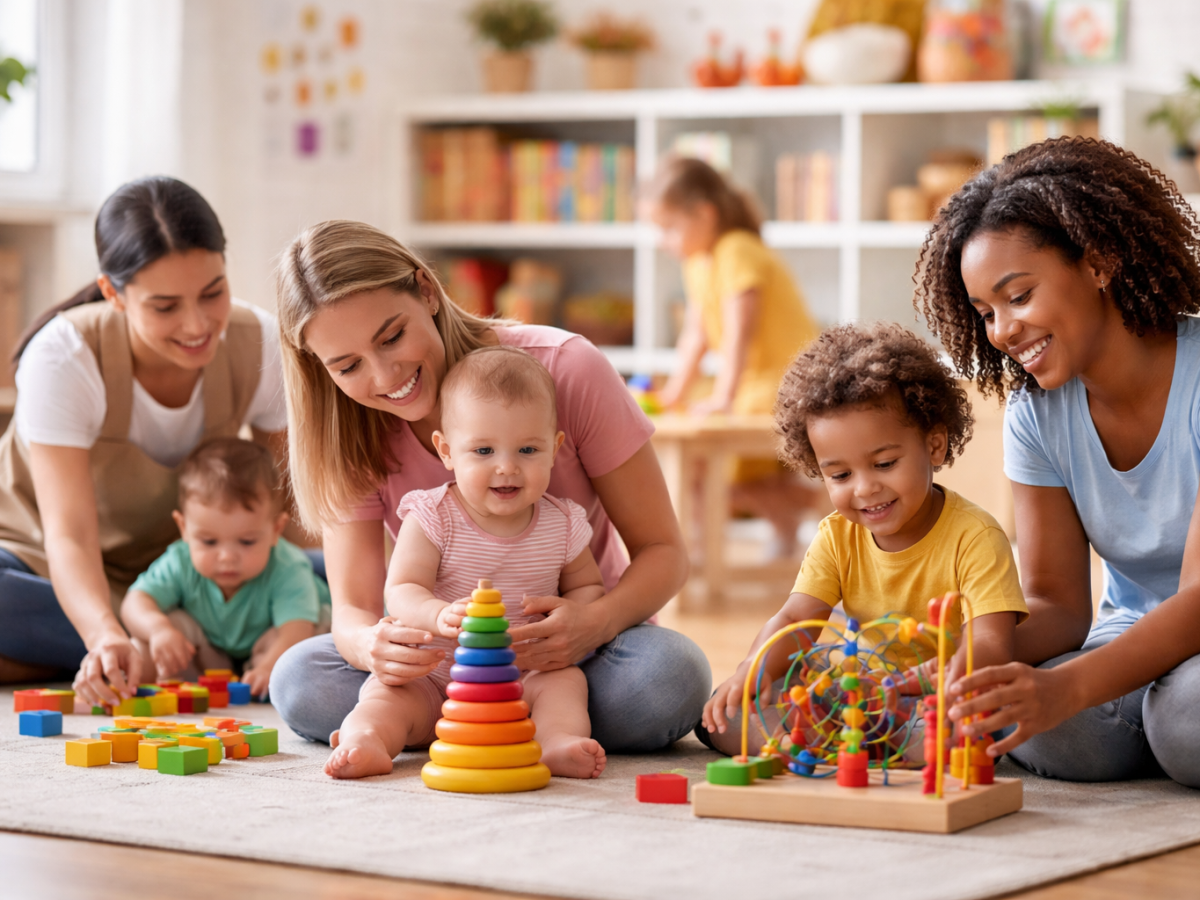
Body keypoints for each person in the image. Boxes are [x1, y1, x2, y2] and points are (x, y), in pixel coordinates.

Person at [269, 220, 710, 753]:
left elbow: (664, 553)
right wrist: (372, 648)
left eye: (392, 337)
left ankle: (502, 726)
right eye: (347, 365)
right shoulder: (347, 429)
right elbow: (355, 609)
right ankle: (494, 725)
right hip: (440, 668)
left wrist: (591, 624)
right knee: (298, 679)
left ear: (427, 291)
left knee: (668, 679)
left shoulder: (565, 370)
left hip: (573, 657)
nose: (385, 377)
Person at [915, 137, 1200, 787]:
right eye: (985, 312)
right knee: (1042, 721)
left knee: (1186, 718)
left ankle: (1153, 731)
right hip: (1129, 644)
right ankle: (1142, 729)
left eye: (1018, 297)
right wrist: (974, 655)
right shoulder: (1037, 415)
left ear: (1098, 262)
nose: (1001, 332)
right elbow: (1058, 605)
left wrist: (1067, 689)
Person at [0, 177, 292, 708]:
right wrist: (102, 633)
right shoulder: (66, 357)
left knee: (325, 579)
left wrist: (328, 607)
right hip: (43, 564)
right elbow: (69, 537)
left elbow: (295, 509)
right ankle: (143, 651)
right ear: (113, 293)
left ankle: (108, 655)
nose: (198, 324)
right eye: (165, 307)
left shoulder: (258, 343)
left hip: (191, 578)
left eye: (213, 292)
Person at [699, 322, 1027, 757]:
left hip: (936, 697)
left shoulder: (976, 536)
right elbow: (796, 620)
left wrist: (916, 682)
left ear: (934, 445)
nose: (864, 488)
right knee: (730, 708)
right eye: (840, 475)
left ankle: (838, 742)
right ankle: (824, 737)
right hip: (857, 692)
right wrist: (749, 671)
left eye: (885, 463)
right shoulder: (837, 535)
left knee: (962, 731)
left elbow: (989, 646)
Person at [326, 346, 606, 779]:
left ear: (555, 449)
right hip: (435, 672)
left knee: (566, 684)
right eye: (483, 451)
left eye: (528, 449)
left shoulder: (563, 522)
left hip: (524, 673)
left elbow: (588, 586)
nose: (507, 467)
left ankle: (556, 743)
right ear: (447, 451)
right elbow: (400, 590)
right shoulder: (433, 516)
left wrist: (578, 612)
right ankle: (366, 740)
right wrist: (438, 615)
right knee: (385, 696)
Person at [648, 156, 826, 557]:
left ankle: (810, 509)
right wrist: (674, 394)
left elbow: (739, 334)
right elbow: (696, 335)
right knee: (694, 458)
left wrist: (723, 400)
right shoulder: (698, 263)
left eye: (669, 228)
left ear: (705, 214)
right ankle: (779, 527)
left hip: (785, 382)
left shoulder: (736, 250)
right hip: (751, 381)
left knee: (707, 467)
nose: (664, 241)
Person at [121, 438, 330, 697]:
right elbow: (136, 600)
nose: (227, 557)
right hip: (212, 655)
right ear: (184, 528)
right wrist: (159, 630)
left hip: (271, 647)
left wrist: (268, 667)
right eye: (209, 541)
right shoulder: (181, 560)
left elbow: (295, 631)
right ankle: (132, 680)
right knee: (162, 631)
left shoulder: (289, 566)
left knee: (318, 629)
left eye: (247, 541)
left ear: (276, 530)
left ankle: (268, 679)